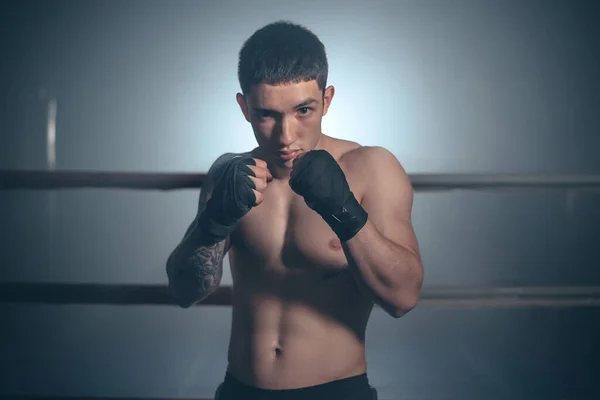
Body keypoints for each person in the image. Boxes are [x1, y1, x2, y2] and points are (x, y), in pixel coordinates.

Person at [166, 21, 424, 400]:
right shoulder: (231, 173)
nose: (286, 136)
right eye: (266, 114)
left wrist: (343, 211)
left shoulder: (371, 167)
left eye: (303, 110)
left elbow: (403, 298)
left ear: (328, 99)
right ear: (244, 107)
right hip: (240, 390)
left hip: (335, 390)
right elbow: (186, 290)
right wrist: (214, 220)